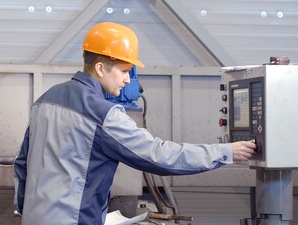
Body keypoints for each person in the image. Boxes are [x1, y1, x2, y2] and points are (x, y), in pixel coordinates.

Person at [13, 22, 256, 225]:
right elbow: (158, 156)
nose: (128, 79)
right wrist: (225, 152)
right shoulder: (103, 114)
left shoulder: (44, 100)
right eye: (123, 70)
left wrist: (28, 210)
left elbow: (22, 163)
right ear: (100, 67)